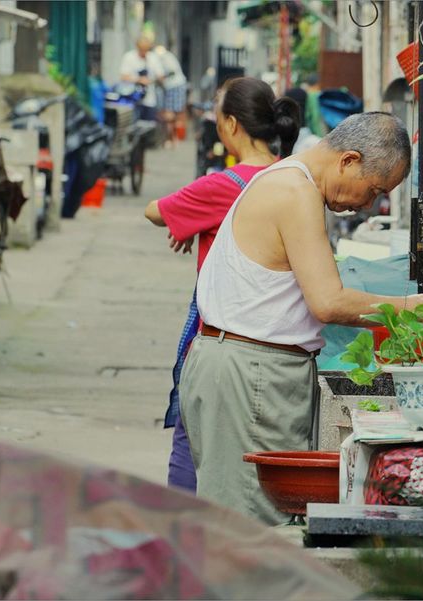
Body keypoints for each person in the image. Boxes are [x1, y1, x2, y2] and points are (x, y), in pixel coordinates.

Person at [179, 112, 423, 525]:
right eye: (373, 191)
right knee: (254, 526)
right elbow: (328, 302)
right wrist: (412, 309)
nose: (365, 205)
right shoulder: (294, 191)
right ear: (348, 160)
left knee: (253, 518)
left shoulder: (289, 182)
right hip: (250, 372)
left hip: (249, 367)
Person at [144, 77, 301, 492]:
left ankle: (183, 535)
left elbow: (154, 211)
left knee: (190, 444)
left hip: (223, 341)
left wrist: (193, 219)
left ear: (231, 125)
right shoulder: (295, 178)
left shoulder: (222, 186)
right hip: (280, 343)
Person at [119, 32, 165, 121]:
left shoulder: (153, 58)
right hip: (132, 99)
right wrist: (139, 80)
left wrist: (154, 79)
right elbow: (123, 77)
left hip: (149, 99)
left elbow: (161, 76)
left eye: (146, 50)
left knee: (149, 124)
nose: (144, 52)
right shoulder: (129, 57)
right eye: (141, 50)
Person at [154, 45, 188, 147]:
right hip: (169, 87)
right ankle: (172, 139)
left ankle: (173, 139)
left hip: (174, 86)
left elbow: (169, 73)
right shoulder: (165, 57)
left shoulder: (165, 57)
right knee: (170, 114)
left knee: (172, 114)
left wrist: (160, 78)